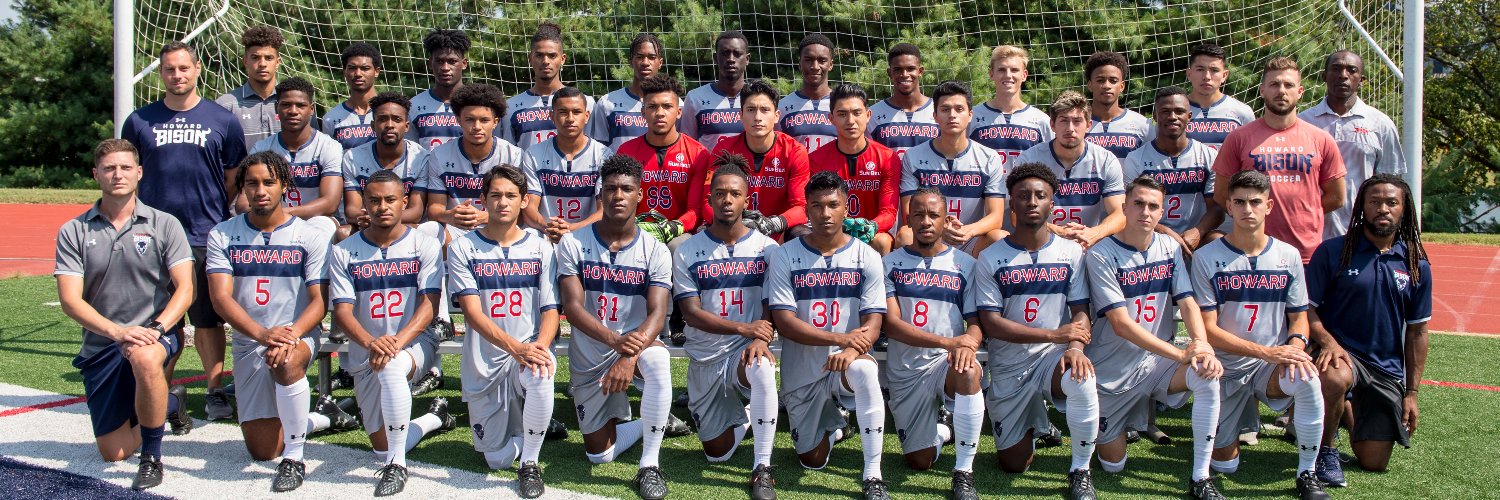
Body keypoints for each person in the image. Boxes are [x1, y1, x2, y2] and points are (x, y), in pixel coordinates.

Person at [205, 151, 357, 492]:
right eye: (252, 183)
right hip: (250, 339)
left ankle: (295, 457)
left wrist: (291, 335)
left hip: (297, 336)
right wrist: (262, 334)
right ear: (242, 188)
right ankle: (325, 416)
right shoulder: (223, 235)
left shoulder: (310, 236)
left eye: (269, 182)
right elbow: (220, 298)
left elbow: (320, 302)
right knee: (262, 450)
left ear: (285, 186)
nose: (260, 190)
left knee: (286, 364)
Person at [54, 139, 194, 491]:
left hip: (156, 334)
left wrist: (158, 328)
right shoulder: (73, 231)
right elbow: (71, 301)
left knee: (146, 359)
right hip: (103, 344)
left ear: (139, 173)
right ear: (95, 175)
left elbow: (186, 289)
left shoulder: (164, 224)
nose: (118, 175)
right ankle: (169, 402)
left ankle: (151, 458)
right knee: (113, 452)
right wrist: (118, 332)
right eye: (109, 168)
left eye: (126, 167)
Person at [121, 41, 246, 422]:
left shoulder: (222, 120)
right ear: (161, 73)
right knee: (159, 318)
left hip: (204, 232)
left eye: (183, 68)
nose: (177, 75)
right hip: (152, 237)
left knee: (208, 318)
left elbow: (232, 177)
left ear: (197, 69)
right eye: (169, 69)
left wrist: (208, 210)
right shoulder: (139, 121)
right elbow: (129, 174)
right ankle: (160, 390)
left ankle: (213, 390)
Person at [557, 155, 691, 500]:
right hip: (592, 353)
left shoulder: (656, 250)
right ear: (600, 196)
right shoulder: (573, 243)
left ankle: (650, 465)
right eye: (611, 189)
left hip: (638, 346)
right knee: (598, 454)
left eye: (626, 189)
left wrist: (629, 356)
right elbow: (572, 308)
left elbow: (658, 313)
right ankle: (650, 422)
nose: (618, 195)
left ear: (640, 195)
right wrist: (618, 344)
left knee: (659, 362)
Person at [1084, 176, 1225, 500]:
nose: (1145, 212)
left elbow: (1188, 302)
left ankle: (1200, 478)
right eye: (1138, 204)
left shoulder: (1169, 246)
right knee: (1113, 464)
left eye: (1153, 206)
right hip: (1112, 372)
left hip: (1157, 362)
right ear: (1125, 207)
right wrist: (1181, 354)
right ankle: (1120, 428)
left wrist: (1200, 346)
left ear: (1162, 212)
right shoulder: (1101, 254)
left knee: (1206, 376)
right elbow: (1121, 324)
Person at [1193, 170, 1329, 500]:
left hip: (1270, 366)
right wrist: (1268, 352)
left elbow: (1299, 318)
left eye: (1255, 202)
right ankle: (1232, 432)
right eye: (1239, 202)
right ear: (1228, 206)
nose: (1247, 210)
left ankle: (1307, 474)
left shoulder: (1288, 256)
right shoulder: (1206, 258)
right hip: (1226, 367)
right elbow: (1208, 330)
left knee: (1308, 377)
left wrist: (1295, 346)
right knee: (1225, 465)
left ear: (1269, 206)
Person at [973, 163, 1099, 499]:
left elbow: (1081, 314)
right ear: (1010, 204)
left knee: (1081, 376)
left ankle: (1080, 472)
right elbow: (992, 324)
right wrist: (1054, 335)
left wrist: (1073, 347)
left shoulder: (1071, 253)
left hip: (1052, 360)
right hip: (1010, 364)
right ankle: (1038, 422)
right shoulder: (990, 257)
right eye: (1023, 196)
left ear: (1052, 204)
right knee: (1014, 463)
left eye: (1040, 195)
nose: (1032, 201)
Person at [329, 170, 456, 497]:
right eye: (374, 200)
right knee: (381, 447)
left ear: (404, 202)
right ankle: (434, 418)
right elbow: (342, 312)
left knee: (392, 365)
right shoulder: (345, 250)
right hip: (365, 349)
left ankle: (397, 466)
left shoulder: (423, 245)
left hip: (415, 342)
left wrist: (396, 344)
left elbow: (430, 305)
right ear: (364, 205)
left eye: (389, 200)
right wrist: (373, 343)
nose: (382, 206)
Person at [767, 171, 890, 500]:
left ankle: (873, 473)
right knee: (812, 460)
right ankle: (839, 425)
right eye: (817, 206)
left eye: (833, 205)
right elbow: (785, 322)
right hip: (804, 369)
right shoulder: (784, 255)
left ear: (846, 208)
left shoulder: (868, 256)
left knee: (864, 368)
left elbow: (874, 322)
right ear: (806, 210)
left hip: (847, 362)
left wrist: (851, 350)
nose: (825, 214)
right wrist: (842, 339)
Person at [1307, 174, 1430, 486]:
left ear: (1404, 209)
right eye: (1374, 201)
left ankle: (1346, 409)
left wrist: (1412, 393)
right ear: (1362, 206)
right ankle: (1325, 450)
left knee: (1374, 462)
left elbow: (1417, 332)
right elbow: (1304, 309)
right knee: (1335, 376)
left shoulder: (1415, 262)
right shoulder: (1333, 251)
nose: (1383, 208)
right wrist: (1327, 341)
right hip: (1339, 353)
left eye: (1391, 202)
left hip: (1384, 366)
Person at [447, 165, 560, 498]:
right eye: (494, 195)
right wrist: (517, 348)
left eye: (511, 196)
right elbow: (471, 313)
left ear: (525, 201)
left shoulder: (540, 246)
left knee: (541, 370)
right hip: (485, 359)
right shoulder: (463, 247)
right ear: (482, 200)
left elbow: (550, 310)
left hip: (526, 349)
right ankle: (534, 427)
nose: (502, 202)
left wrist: (537, 346)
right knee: (495, 460)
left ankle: (530, 463)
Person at [673, 161, 783, 499]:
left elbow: (772, 303)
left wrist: (758, 335)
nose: (727, 200)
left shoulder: (768, 248)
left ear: (747, 199)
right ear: (709, 198)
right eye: (720, 193)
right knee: (716, 452)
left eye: (735, 193)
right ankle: (749, 414)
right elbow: (691, 314)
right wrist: (746, 326)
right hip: (706, 356)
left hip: (744, 351)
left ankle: (762, 467)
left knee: (762, 366)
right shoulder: (687, 249)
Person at [882, 188, 983, 500]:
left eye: (933, 215)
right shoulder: (888, 264)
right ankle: (944, 430)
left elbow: (977, 322)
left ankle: (964, 472)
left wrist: (969, 345)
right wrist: (950, 341)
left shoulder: (965, 264)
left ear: (946, 220)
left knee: (967, 372)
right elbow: (892, 326)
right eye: (918, 215)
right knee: (919, 461)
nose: (925, 221)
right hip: (907, 368)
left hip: (946, 364)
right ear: (908, 219)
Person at [1212, 56, 1346, 264]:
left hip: (1306, 254)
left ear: (1300, 92)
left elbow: (1337, 197)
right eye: (1274, 84)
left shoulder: (1321, 139)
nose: (1281, 91)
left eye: (1288, 85)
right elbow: (1221, 195)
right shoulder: (1238, 138)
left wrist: (1304, 210)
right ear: (1262, 90)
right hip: (1252, 251)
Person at [1300, 50, 1405, 240]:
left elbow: (1390, 184)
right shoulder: (1302, 122)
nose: (1343, 75)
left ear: (1362, 79)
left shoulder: (1380, 124)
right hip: (1310, 230)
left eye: (1352, 70)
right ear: (1324, 76)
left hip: (1362, 233)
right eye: (1336, 69)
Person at [897, 80, 1006, 254]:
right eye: (945, 109)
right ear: (935, 115)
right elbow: (909, 214)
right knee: (905, 235)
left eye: (959, 109)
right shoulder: (914, 157)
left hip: (969, 238)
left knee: (999, 237)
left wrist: (967, 230)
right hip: (929, 236)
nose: (952, 115)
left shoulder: (989, 158)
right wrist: (940, 229)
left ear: (970, 115)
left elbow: (996, 217)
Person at [1014, 90, 1125, 249]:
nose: (1070, 128)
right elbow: (1015, 214)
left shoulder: (1105, 160)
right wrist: (1056, 232)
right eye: (1064, 121)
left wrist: (1093, 233)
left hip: (1088, 243)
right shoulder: (1030, 160)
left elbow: (1120, 214)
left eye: (1077, 121)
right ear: (1052, 124)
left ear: (1088, 125)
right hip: (1041, 243)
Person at [1124, 86, 1222, 252]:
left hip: (1194, 236)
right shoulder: (1136, 159)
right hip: (1151, 234)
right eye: (1165, 111)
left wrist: (1198, 231)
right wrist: (1165, 232)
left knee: (1217, 239)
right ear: (1155, 116)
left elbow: (1217, 208)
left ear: (1189, 116)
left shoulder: (1208, 155)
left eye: (1179, 111)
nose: (1172, 117)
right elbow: (1129, 209)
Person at [708, 79, 811, 239]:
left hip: (777, 232)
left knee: (802, 234)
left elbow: (801, 207)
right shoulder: (723, 150)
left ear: (776, 116)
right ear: (740, 115)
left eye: (765, 110)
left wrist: (772, 224)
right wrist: (737, 224)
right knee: (703, 231)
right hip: (730, 228)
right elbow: (706, 202)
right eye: (750, 109)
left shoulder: (794, 151)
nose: (757, 117)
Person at [423, 84, 524, 245]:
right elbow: (434, 209)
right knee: (429, 229)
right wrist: (449, 215)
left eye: (484, 120)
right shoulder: (440, 155)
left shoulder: (513, 155)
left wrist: (487, 216)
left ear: (495, 122)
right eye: (470, 119)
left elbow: (519, 207)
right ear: (458, 120)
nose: (477, 127)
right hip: (456, 228)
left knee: (532, 233)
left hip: (498, 227)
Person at [616, 74, 712, 242]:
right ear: (643, 112)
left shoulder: (699, 153)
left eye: (667, 106)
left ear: (679, 112)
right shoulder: (626, 151)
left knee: (679, 245)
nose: (659, 113)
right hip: (637, 231)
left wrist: (672, 227)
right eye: (652, 107)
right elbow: (620, 202)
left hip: (679, 233)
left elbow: (696, 210)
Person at [808, 83, 901, 254]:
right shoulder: (816, 159)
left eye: (857, 113)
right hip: (830, 231)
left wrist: (872, 226)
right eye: (842, 114)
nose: (850, 121)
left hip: (871, 234)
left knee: (882, 241)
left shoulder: (887, 158)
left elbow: (889, 211)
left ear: (868, 115)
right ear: (831, 118)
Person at [248, 77, 345, 222]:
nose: (293, 111)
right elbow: (243, 201)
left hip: (316, 220)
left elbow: (329, 204)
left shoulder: (328, 146)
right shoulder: (262, 149)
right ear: (276, 108)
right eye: (286, 105)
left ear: (311, 109)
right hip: (271, 221)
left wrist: (281, 213)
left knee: (323, 223)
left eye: (300, 105)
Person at [521, 86, 610, 242]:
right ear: (552, 116)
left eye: (576, 112)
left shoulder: (604, 156)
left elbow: (604, 211)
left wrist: (571, 229)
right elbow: (529, 209)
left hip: (588, 234)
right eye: (563, 112)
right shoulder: (534, 154)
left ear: (587, 116)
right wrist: (549, 227)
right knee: (529, 234)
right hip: (547, 233)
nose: (570, 118)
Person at [342, 92, 430, 233]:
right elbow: (351, 210)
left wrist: (379, 218)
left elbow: (416, 212)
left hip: (406, 225)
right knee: (343, 233)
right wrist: (373, 219)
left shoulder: (421, 158)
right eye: (382, 119)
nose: (389, 125)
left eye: (396, 119)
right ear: (373, 125)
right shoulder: (353, 157)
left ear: (407, 126)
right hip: (367, 225)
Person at [504, 22, 596, 151]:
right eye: (539, 55)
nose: (546, 61)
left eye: (552, 55)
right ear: (530, 58)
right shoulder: (511, 107)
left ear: (563, 59)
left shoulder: (586, 103)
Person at [969, 45, 1052, 165]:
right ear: (991, 74)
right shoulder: (972, 117)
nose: (1008, 75)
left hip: (1026, 184)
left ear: (1024, 75)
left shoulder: (1041, 120)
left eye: (1014, 70)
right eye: (1001, 70)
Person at [591, 33, 666, 150]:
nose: (645, 62)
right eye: (640, 57)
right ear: (631, 61)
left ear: (660, 62)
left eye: (652, 57)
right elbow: (598, 149)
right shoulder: (607, 103)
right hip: (619, 168)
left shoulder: (675, 104)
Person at [868, 43, 939, 158]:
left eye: (910, 69)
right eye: (897, 70)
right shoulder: (873, 114)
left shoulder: (939, 110)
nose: (904, 75)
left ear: (920, 71)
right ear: (889, 73)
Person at [683, 30, 751, 149]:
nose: (730, 59)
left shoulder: (759, 98)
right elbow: (686, 146)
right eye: (724, 53)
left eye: (737, 53)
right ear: (715, 58)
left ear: (747, 59)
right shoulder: (695, 97)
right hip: (709, 167)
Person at [217, 25, 283, 146]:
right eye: (255, 57)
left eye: (269, 58)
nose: (262, 64)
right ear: (245, 61)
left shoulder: (293, 102)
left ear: (277, 62)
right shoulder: (225, 105)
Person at [1183, 43, 1256, 150]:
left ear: (1224, 75)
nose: (1207, 77)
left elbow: (1250, 155)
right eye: (1200, 69)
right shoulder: (1174, 111)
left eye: (1214, 70)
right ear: (1189, 74)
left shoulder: (1242, 112)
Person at [408, 29, 470, 150]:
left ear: (464, 64)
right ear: (430, 63)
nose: (445, 68)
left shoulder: (478, 104)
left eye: (452, 61)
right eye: (439, 61)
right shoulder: (414, 105)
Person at [777, 34, 838, 152]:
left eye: (822, 60)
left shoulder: (843, 106)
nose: (815, 67)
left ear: (830, 64)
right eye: (808, 60)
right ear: (800, 63)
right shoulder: (782, 107)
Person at [1082, 51, 1150, 159]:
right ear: (1090, 85)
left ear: (1122, 86)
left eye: (1113, 81)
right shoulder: (1076, 123)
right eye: (1100, 80)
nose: (1107, 86)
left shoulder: (1142, 125)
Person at [323, 43, 383, 150]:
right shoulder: (330, 118)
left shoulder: (391, 113)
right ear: (344, 71)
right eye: (352, 68)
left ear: (376, 71)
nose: (358, 73)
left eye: (365, 68)